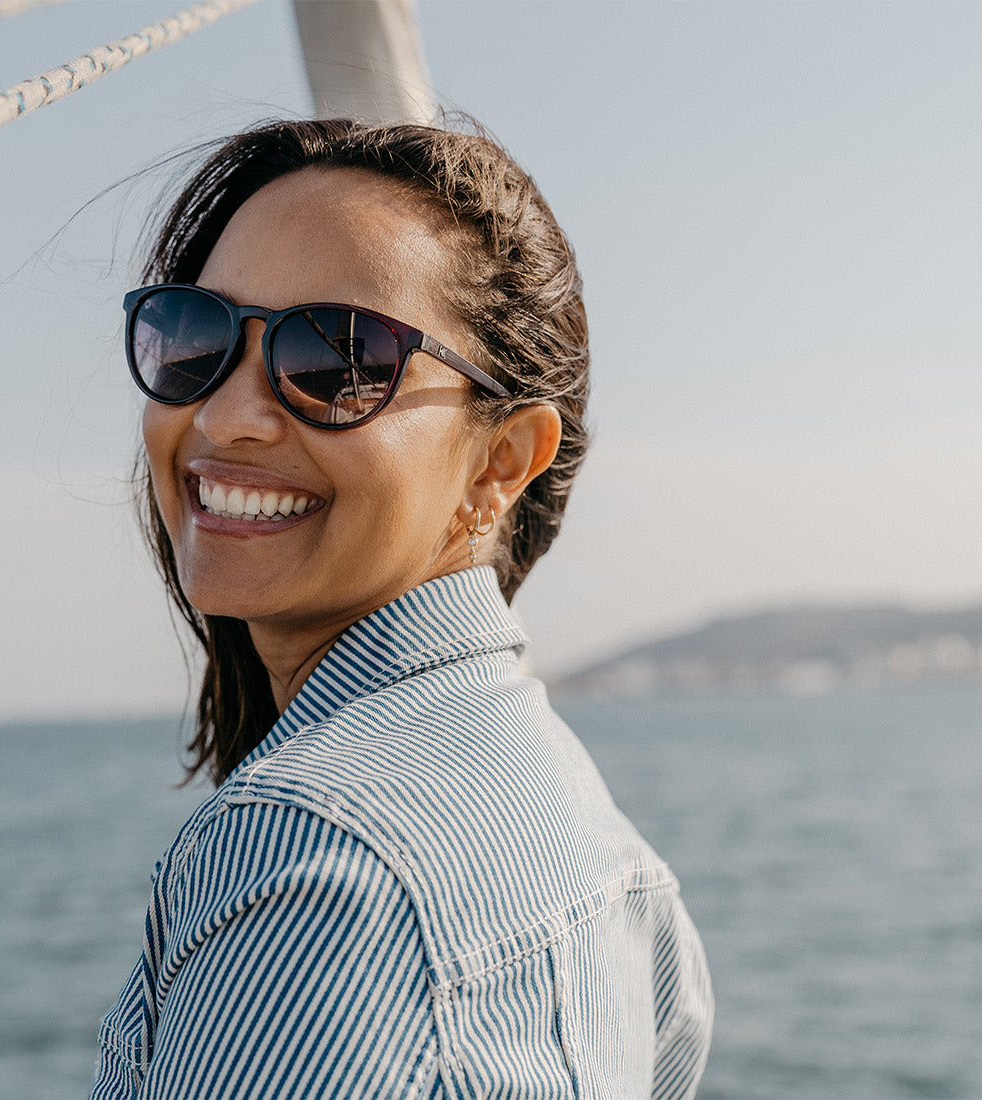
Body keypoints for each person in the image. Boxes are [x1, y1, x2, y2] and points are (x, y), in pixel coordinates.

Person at [91, 118, 712, 1099]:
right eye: (196, 337)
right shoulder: (609, 856)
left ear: (501, 461)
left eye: (339, 358)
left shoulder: (315, 864)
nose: (223, 416)